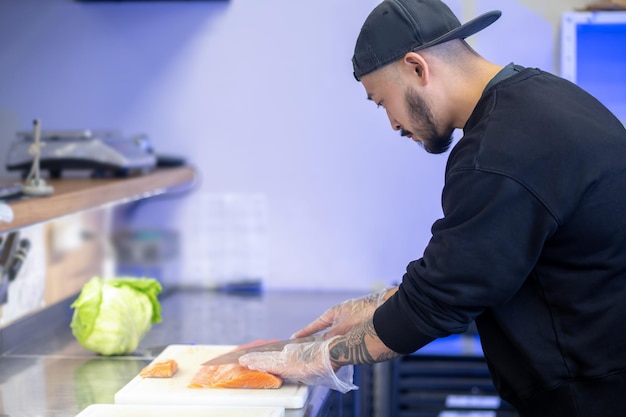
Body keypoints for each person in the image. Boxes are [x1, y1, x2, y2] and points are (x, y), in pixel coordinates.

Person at [239, 0, 626, 415]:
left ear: (416, 68)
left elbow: (440, 303)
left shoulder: (498, 152)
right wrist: (374, 305)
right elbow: (466, 269)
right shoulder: (539, 97)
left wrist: (319, 357)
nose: (392, 124)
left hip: (592, 398)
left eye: (381, 101)